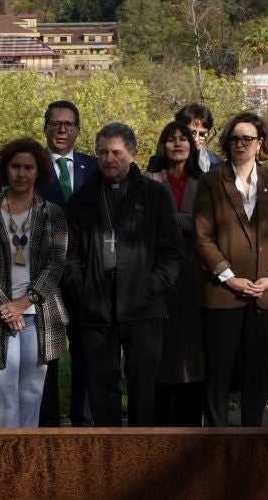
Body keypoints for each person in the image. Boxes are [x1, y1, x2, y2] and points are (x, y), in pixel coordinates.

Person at [63, 123, 181, 426]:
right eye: (102, 152)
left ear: (132, 153)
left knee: (143, 386)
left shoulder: (154, 195)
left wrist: (150, 287)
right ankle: (109, 452)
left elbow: (171, 251)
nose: (108, 159)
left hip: (143, 305)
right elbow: (69, 254)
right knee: (102, 388)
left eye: (116, 152)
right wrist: (83, 291)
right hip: (96, 305)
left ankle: (142, 450)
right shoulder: (82, 199)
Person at [193, 111, 268, 428]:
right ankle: (217, 437)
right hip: (224, 292)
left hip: (266, 293)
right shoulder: (211, 182)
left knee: (257, 370)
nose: (240, 144)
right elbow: (202, 236)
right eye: (235, 139)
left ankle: (253, 435)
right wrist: (229, 277)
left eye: (247, 139)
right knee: (219, 369)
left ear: (260, 143)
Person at [0, 139, 69, 428]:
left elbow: (55, 265)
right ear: (5, 169)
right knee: (0, 391)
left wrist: (24, 303)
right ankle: (0, 462)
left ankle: (26, 461)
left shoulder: (53, 215)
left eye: (28, 167)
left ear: (39, 171)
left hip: (40, 315)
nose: (21, 174)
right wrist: (5, 307)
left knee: (32, 392)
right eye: (15, 166)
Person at [41, 99, 97, 427]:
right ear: (45, 127)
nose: (62, 129)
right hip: (44, 277)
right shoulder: (33, 168)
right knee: (47, 355)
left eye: (69, 124)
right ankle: (47, 424)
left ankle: (83, 421)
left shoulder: (93, 167)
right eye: (55, 124)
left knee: (85, 352)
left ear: (77, 129)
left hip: (86, 276)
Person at [149, 120, 206, 425]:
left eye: (184, 138)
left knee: (192, 351)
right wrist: (184, 223)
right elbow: (147, 226)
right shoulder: (149, 180)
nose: (178, 143)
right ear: (163, 145)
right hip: (158, 276)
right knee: (162, 351)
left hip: (196, 274)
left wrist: (171, 221)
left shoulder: (205, 181)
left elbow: (207, 227)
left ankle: (189, 420)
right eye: (171, 139)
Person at [174, 101, 221, 173]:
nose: (196, 139)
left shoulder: (215, 165)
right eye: (191, 133)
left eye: (202, 134)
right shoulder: (161, 161)